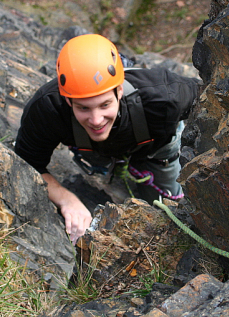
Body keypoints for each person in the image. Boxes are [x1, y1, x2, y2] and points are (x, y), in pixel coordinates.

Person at [14, 34, 199, 243]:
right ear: (67, 100)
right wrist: (66, 199)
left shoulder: (164, 95)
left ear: (119, 90)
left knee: (168, 217)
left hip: (156, 147)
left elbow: (214, 102)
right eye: (83, 108)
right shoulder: (47, 109)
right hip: (97, 152)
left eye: (104, 105)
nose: (96, 120)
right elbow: (26, 163)